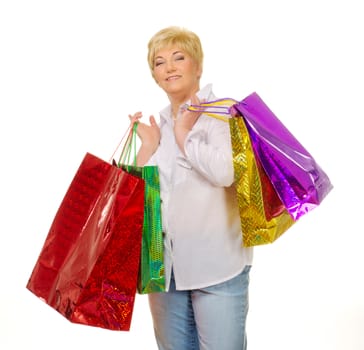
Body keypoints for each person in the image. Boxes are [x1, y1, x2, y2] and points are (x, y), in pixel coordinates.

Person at [129, 26, 253, 350]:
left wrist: (185, 137)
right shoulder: (159, 125)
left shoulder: (223, 114)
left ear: (197, 66)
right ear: (154, 75)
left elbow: (226, 173)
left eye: (178, 57)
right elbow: (143, 204)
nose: (169, 67)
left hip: (218, 268)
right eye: (159, 62)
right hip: (165, 271)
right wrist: (147, 149)